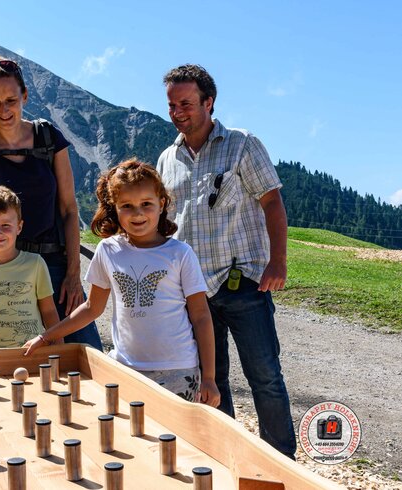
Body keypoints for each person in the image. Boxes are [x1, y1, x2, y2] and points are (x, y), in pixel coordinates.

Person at [155, 64, 296, 457]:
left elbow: (273, 202)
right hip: (193, 291)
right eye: (171, 105)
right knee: (212, 378)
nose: (177, 112)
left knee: (265, 376)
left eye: (185, 103)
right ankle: (225, 458)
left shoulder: (242, 144)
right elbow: (166, 224)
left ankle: (282, 460)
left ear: (209, 102)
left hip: (244, 282)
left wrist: (278, 262)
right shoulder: (167, 159)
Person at [0, 56, 102, 350]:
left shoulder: (49, 139)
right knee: (9, 358)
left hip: (53, 266)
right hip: (0, 270)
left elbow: (69, 210)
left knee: (86, 354)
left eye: (11, 100)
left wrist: (74, 275)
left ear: (25, 95)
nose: (4, 110)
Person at [24, 159, 220, 406]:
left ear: (161, 204)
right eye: (127, 206)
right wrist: (46, 337)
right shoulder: (108, 250)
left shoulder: (180, 253)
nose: (138, 213)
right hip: (125, 368)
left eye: (146, 204)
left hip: (178, 370)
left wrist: (209, 378)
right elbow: (91, 308)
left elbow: (201, 316)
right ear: (114, 207)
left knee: (173, 430)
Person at [0, 186, 60, 354]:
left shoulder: (35, 264)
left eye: (5, 225)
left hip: (31, 354)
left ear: (19, 227)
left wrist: (60, 348)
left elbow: (49, 311)